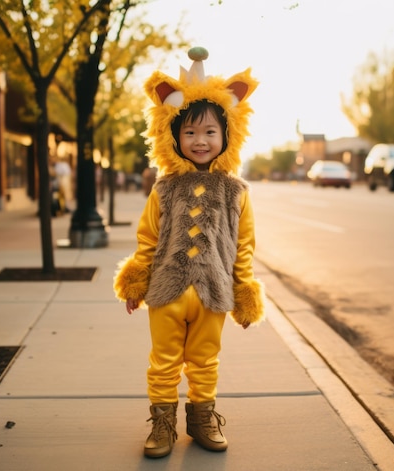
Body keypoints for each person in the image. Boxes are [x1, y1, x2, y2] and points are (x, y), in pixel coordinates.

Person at [113, 47, 264, 458]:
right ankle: (162, 424)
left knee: (205, 360)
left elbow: (243, 247)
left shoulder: (237, 192)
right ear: (173, 136)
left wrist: (244, 292)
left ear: (227, 136)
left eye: (210, 132)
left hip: (214, 291)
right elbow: (148, 238)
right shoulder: (164, 188)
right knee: (163, 360)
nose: (200, 140)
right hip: (166, 290)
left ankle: (201, 419)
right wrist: (136, 281)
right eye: (191, 133)